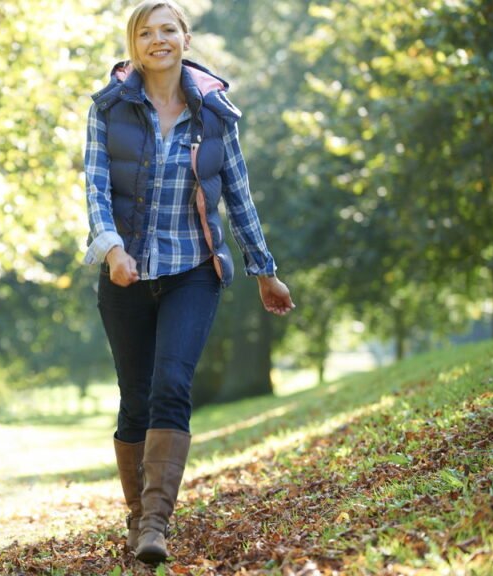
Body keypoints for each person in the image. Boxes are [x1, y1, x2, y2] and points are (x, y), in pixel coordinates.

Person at [83, 0, 295, 565]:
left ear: (185, 37)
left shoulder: (216, 116)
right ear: (135, 45)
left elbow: (239, 194)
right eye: (146, 32)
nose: (159, 40)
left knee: (171, 386)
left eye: (168, 30)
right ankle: (136, 517)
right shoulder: (108, 109)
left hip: (193, 271)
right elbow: (96, 191)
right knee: (135, 401)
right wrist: (111, 250)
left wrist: (264, 270)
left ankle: (156, 524)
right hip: (126, 275)